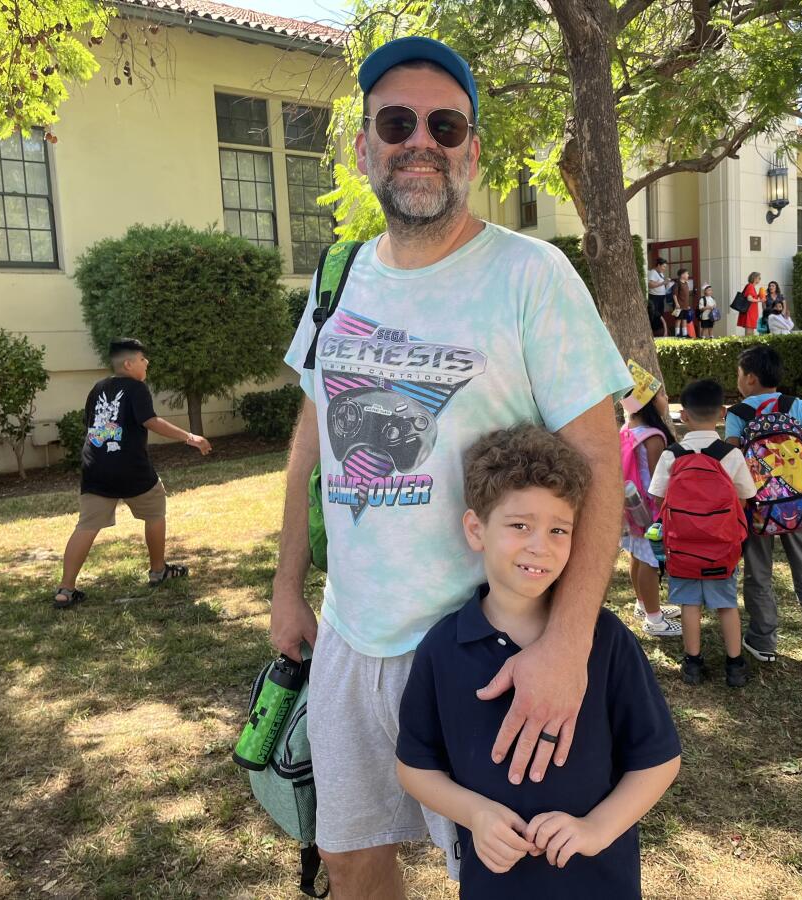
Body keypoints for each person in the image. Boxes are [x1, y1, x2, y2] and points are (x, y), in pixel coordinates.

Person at [271, 36, 632, 898]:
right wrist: (288, 585)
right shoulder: (338, 276)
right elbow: (307, 446)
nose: (420, 140)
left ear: (472, 149)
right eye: (396, 122)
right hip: (353, 639)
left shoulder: (531, 275)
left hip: (491, 646)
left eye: (445, 123)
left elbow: (600, 464)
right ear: (364, 149)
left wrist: (569, 645)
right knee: (352, 860)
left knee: (515, 875)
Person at [395, 425, 681, 897]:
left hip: (600, 883)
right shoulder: (443, 648)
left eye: (558, 530)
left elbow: (657, 760)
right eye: (519, 525)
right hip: (493, 886)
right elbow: (415, 766)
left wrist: (596, 829)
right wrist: (476, 814)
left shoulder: (604, 641)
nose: (539, 546)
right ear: (475, 529)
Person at [53, 338, 211, 609]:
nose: (146, 362)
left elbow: (93, 426)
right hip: (131, 469)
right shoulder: (136, 388)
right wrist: (189, 436)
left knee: (86, 526)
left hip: (95, 468)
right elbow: (150, 420)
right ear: (128, 364)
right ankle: (158, 570)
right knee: (155, 511)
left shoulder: (97, 388)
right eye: (142, 359)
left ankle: (65, 590)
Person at [725, 345, 802, 665]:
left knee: (758, 573)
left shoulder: (738, 414)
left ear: (750, 378)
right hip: (798, 502)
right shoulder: (796, 405)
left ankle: (763, 640)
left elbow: (732, 461)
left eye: (739, 375)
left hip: (756, 506)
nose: (738, 381)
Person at [647, 380, 757, 687]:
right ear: (722, 413)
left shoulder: (672, 454)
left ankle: (693, 663)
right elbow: (745, 496)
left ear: (683, 416)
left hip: (682, 546)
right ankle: (734, 664)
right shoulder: (729, 454)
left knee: (690, 605)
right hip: (722, 545)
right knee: (726, 604)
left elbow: (658, 497)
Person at [618, 361, 681, 637]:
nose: (666, 400)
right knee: (650, 562)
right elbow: (659, 477)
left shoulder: (626, 430)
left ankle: (643, 604)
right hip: (650, 509)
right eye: (662, 395)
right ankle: (654, 620)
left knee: (636, 555)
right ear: (648, 402)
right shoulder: (654, 437)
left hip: (630, 507)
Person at [646, 258, 668, 337]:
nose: (664, 269)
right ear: (658, 265)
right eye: (663, 267)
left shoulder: (661, 273)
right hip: (655, 297)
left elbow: (659, 283)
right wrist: (663, 283)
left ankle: (660, 332)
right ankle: (655, 332)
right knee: (655, 315)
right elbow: (650, 285)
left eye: (665, 267)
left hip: (661, 297)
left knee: (660, 314)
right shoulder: (653, 272)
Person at [672, 268, 692, 338]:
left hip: (685, 306)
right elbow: (674, 294)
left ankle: (684, 334)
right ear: (682, 275)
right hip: (679, 306)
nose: (688, 275)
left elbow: (686, 296)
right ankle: (677, 334)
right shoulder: (677, 283)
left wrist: (688, 305)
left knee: (684, 319)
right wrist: (676, 303)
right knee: (678, 319)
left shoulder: (686, 283)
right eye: (687, 274)